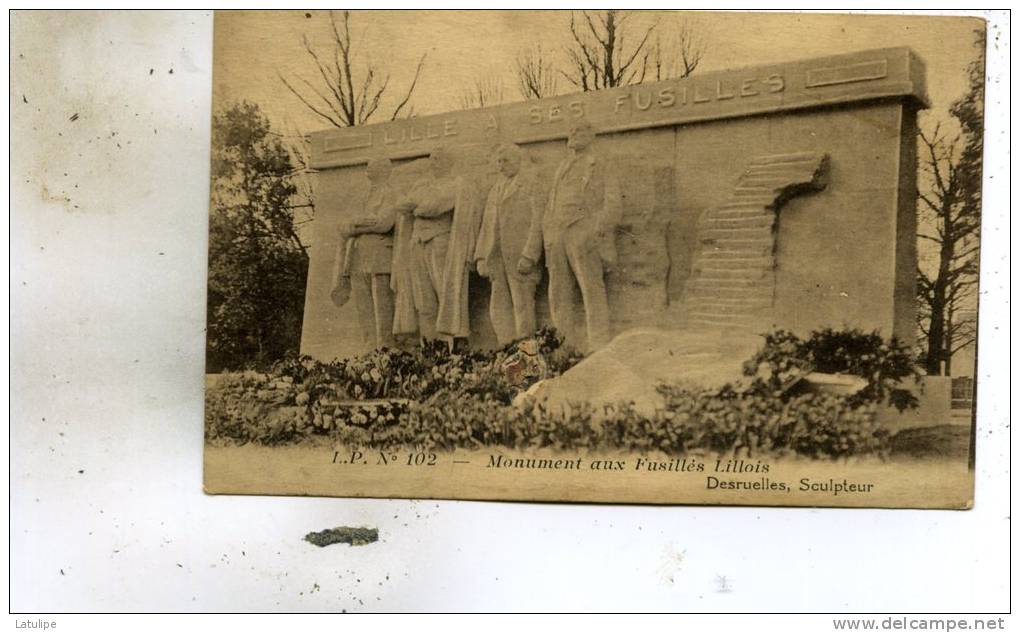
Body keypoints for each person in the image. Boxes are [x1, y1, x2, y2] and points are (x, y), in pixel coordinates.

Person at [527, 119, 622, 352]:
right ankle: (563, 345)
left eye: (579, 130)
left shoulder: (601, 163)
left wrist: (593, 229)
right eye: (572, 130)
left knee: (591, 289)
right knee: (558, 291)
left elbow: (613, 203)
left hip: (583, 231)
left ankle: (598, 345)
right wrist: (549, 232)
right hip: (558, 234)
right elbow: (551, 202)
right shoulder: (563, 166)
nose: (574, 134)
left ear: (591, 136)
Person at [401, 147, 479, 344]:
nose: (433, 162)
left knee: (447, 294)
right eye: (431, 159)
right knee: (424, 300)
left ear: (448, 162)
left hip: (441, 243)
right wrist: (419, 205)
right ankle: (430, 347)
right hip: (418, 243)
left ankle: (454, 347)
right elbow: (403, 204)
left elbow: (434, 206)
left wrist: (417, 207)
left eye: (437, 159)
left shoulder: (456, 184)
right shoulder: (422, 184)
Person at [475, 143, 542, 346]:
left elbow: (537, 222)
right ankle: (505, 349)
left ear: (518, 161)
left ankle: (526, 352)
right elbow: (487, 226)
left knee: (522, 306)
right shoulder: (496, 189)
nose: (501, 166)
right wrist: (481, 257)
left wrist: (530, 254)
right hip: (497, 259)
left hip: (520, 258)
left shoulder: (531, 184)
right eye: (499, 161)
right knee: (498, 306)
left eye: (505, 161)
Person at [333, 158, 398, 349]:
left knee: (383, 307)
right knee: (364, 308)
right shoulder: (360, 196)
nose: (368, 169)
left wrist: (356, 223)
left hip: (380, 256)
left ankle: (387, 350)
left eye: (374, 165)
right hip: (357, 257)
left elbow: (384, 223)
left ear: (385, 170)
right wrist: (362, 223)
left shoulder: (392, 194)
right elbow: (344, 226)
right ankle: (369, 352)